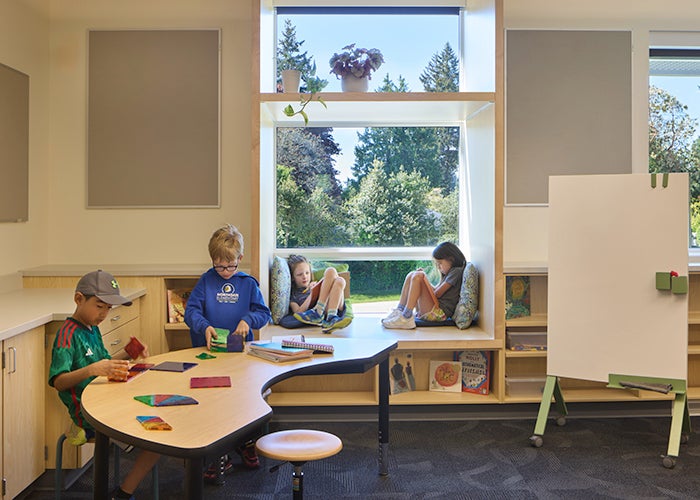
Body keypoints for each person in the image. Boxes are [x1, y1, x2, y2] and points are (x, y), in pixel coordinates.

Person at [48, 270, 160, 500]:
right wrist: (91, 370)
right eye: (100, 306)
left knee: (159, 420)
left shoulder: (93, 329)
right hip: (89, 415)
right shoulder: (66, 335)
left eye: (108, 308)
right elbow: (58, 381)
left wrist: (129, 353)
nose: (104, 313)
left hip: (107, 402)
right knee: (157, 438)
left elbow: (104, 364)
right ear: (79, 299)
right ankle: (122, 493)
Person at [184, 224, 272, 483]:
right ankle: (216, 453)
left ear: (239, 260)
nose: (224, 271)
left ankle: (245, 443)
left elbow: (263, 313)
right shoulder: (205, 281)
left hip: (240, 356)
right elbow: (191, 313)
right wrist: (205, 326)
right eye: (219, 266)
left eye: (230, 266)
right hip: (210, 355)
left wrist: (248, 320)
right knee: (212, 403)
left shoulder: (247, 283)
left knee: (243, 401)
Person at [382, 242, 466, 330]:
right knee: (412, 274)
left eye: (440, 263)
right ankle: (400, 311)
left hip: (440, 314)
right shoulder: (449, 273)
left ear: (451, 259)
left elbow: (437, 294)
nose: (438, 267)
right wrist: (424, 280)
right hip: (434, 310)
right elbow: (435, 291)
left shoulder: (456, 271)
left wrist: (423, 278)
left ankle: (406, 317)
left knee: (418, 276)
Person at [288, 255, 351, 332]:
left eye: (307, 273)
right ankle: (322, 313)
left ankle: (325, 313)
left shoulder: (314, 284)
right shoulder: (293, 295)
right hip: (321, 313)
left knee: (338, 278)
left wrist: (317, 288)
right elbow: (298, 313)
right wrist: (311, 294)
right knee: (337, 278)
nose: (304, 276)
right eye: (299, 274)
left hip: (334, 307)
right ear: (293, 277)